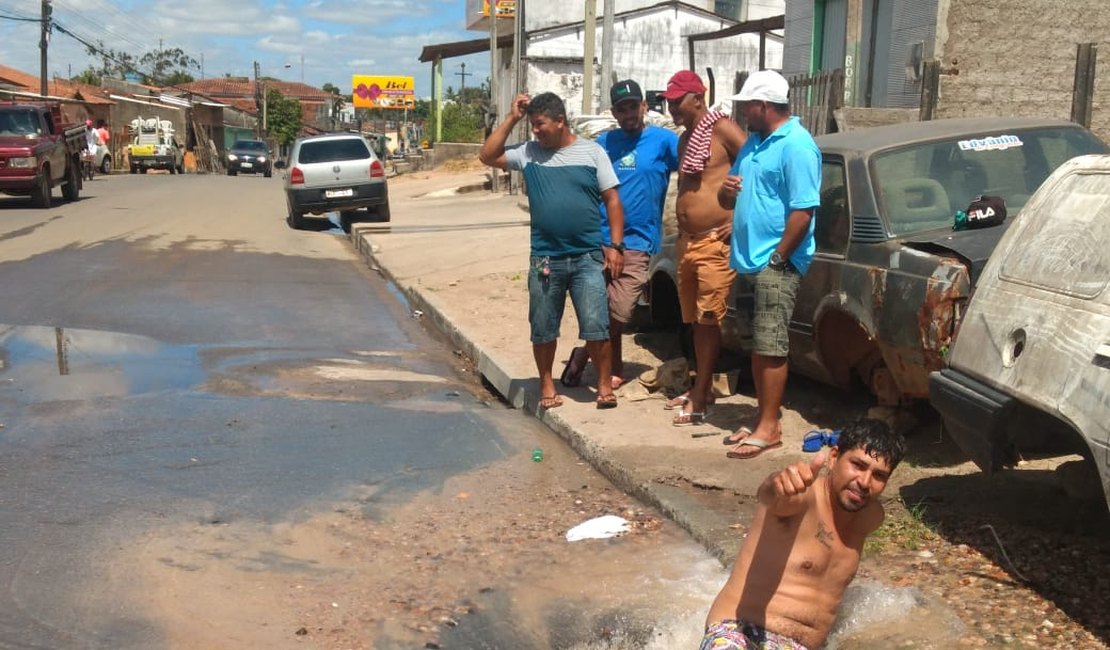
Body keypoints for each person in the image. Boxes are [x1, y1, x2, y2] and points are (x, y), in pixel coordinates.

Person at [701, 419, 906, 650]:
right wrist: (778, 483)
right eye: (858, 465)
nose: (864, 482)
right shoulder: (802, 498)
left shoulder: (870, 518)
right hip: (742, 633)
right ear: (833, 457)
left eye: (879, 475)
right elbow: (771, 496)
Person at [479, 91, 625, 410]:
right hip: (545, 259)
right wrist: (512, 118)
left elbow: (613, 200)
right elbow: (487, 156)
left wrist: (615, 246)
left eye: (541, 124)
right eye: (532, 125)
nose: (536, 131)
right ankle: (547, 384)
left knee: (596, 325)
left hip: (588, 257)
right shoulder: (529, 153)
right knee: (543, 327)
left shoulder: (592, 153)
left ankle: (603, 385)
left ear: (560, 121)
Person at [720, 70, 821, 459]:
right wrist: (725, 192)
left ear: (763, 106)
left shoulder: (796, 145)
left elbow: (803, 210)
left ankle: (770, 427)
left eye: (747, 104)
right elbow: (731, 199)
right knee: (757, 345)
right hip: (748, 261)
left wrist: (778, 258)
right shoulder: (753, 144)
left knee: (772, 344)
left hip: (775, 263)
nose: (743, 111)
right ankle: (763, 415)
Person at [562, 79, 679, 390]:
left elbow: (696, 169)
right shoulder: (603, 143)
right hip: (598, 237)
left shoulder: (664, 142)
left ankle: (585, 352)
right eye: (622, 108)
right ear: (614, 112)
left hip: (639, 240)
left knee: (622, 309)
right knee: (599, 305)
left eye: (634, 106)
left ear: (644, 106)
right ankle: (612, 367)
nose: (629, 114)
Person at [662, 70, 747, 427]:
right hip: (688, 242)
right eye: (668, 102)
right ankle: (703, 386)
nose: (671, 108)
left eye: (677, 101)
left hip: (716, 240)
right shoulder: (685, 141)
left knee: (710, 319)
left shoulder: (723, 128)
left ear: (698, 97)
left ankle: (701, 396)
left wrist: (740, 217)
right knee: (695, 320)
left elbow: (754, 168)